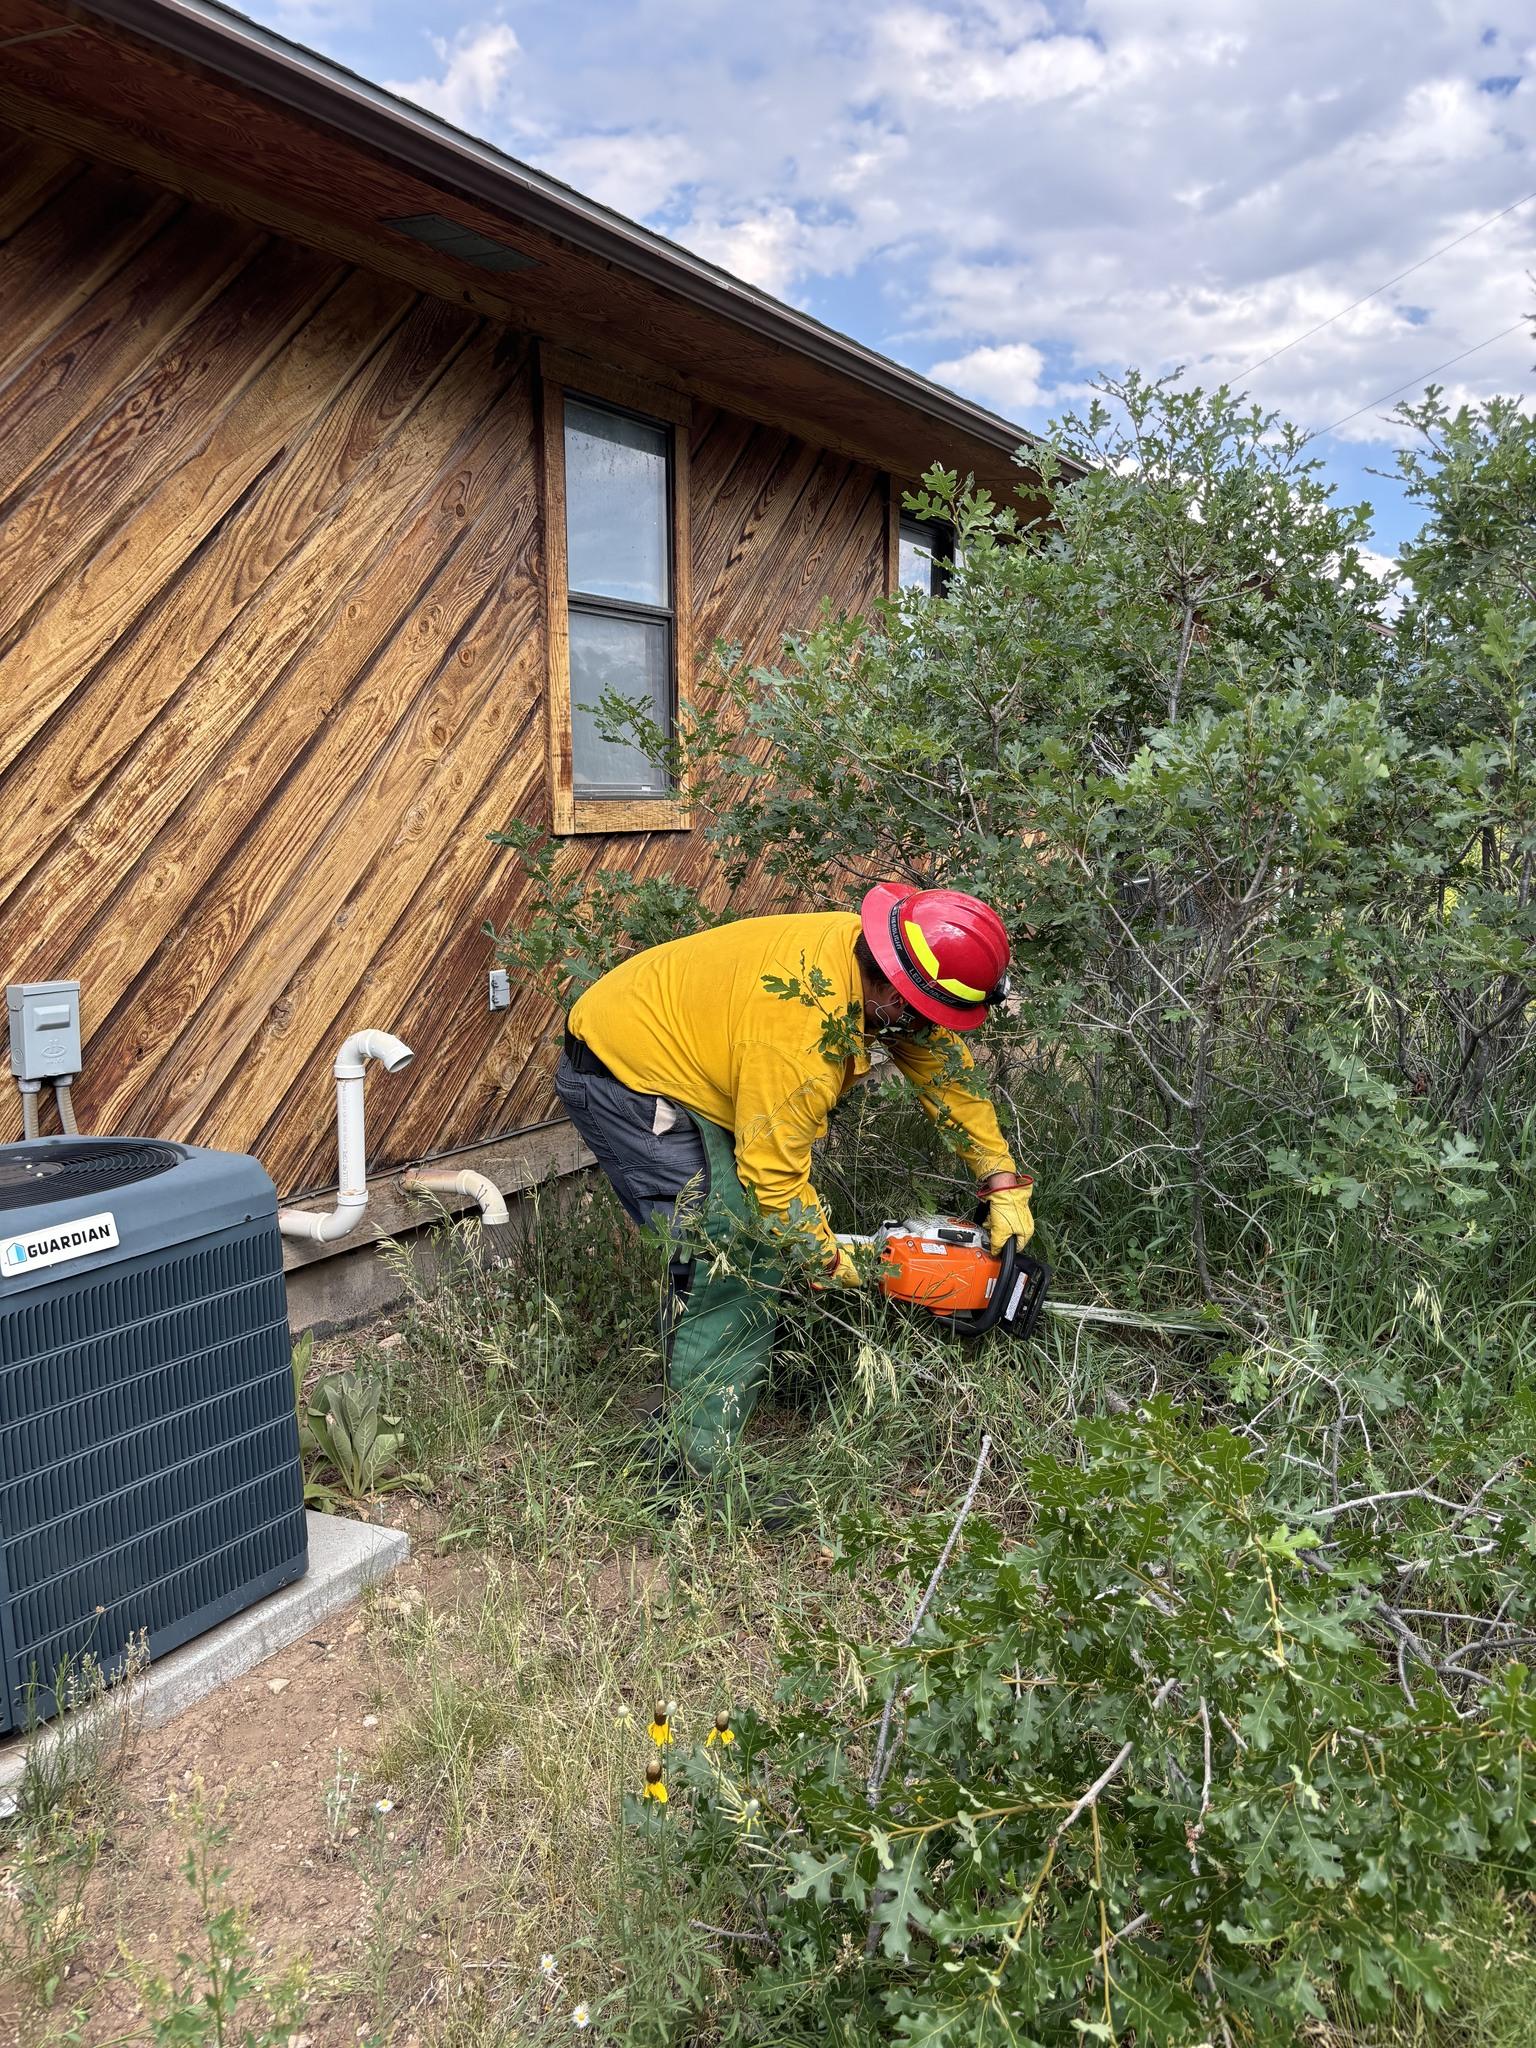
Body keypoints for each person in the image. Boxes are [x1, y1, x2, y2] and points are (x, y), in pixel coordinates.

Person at [555, 881, 1034, 1479]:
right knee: (732, 1250)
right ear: (893, 988)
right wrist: (832, 1263)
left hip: (705, 1055)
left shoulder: (880, 958)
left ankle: (709, 1400)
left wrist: (1001, 1180)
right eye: (920, 1016)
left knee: (759, 1239)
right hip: (630, 1077)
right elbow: (775, 1185)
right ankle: (695, 1471)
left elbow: (944, 1074)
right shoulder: (803, 1037)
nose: (924, 1029)